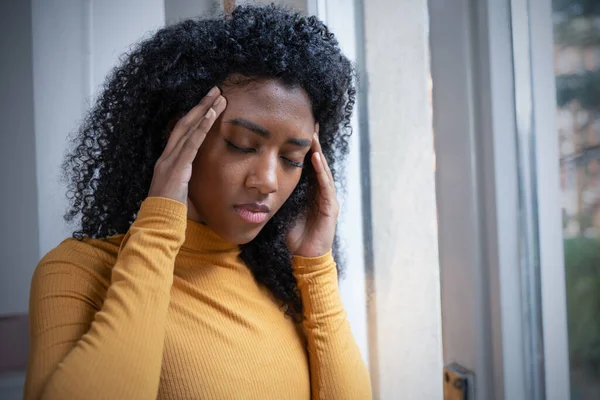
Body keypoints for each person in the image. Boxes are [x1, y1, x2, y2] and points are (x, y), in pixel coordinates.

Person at [24, 4, 371, 399]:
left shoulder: (282, 279)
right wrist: (158, 227)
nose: (268, 182)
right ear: (181, 136)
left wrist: (316, 266)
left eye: (292, 159)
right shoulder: (79, 272)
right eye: (243, 145)